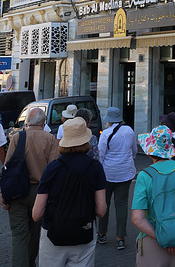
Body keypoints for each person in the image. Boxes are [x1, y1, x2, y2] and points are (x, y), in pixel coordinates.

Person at [32, 116, 107, 266]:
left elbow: (37, 214)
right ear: (85, 140)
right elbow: (101, 210)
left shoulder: (52, 168)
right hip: (83, 232)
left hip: (53, 233)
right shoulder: (95, 168)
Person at [131, 125, 175, 267]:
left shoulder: (145, 176)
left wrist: (165, 238)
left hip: (153, 243)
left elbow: (137, 218)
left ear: (150, 151)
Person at [0, 107, 58, 267]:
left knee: (19, 235)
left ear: (27, 122)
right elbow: (53, 170)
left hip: (17, 192)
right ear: (43, 122)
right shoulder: (50, 139)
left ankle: (20, 263)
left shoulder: (18, 138)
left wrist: (2, 193)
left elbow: (7, 167)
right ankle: (30, 262)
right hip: (41, 193)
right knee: (35, 234)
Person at [97, 106, 137, 249]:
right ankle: (120, 238)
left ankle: (101, 233)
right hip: (125, 172)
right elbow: (134, 151)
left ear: (108, 120)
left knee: (104, 203)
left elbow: (100, 155)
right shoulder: (129, 131)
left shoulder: (105, 134)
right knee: (121, 204)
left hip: (108, 173)